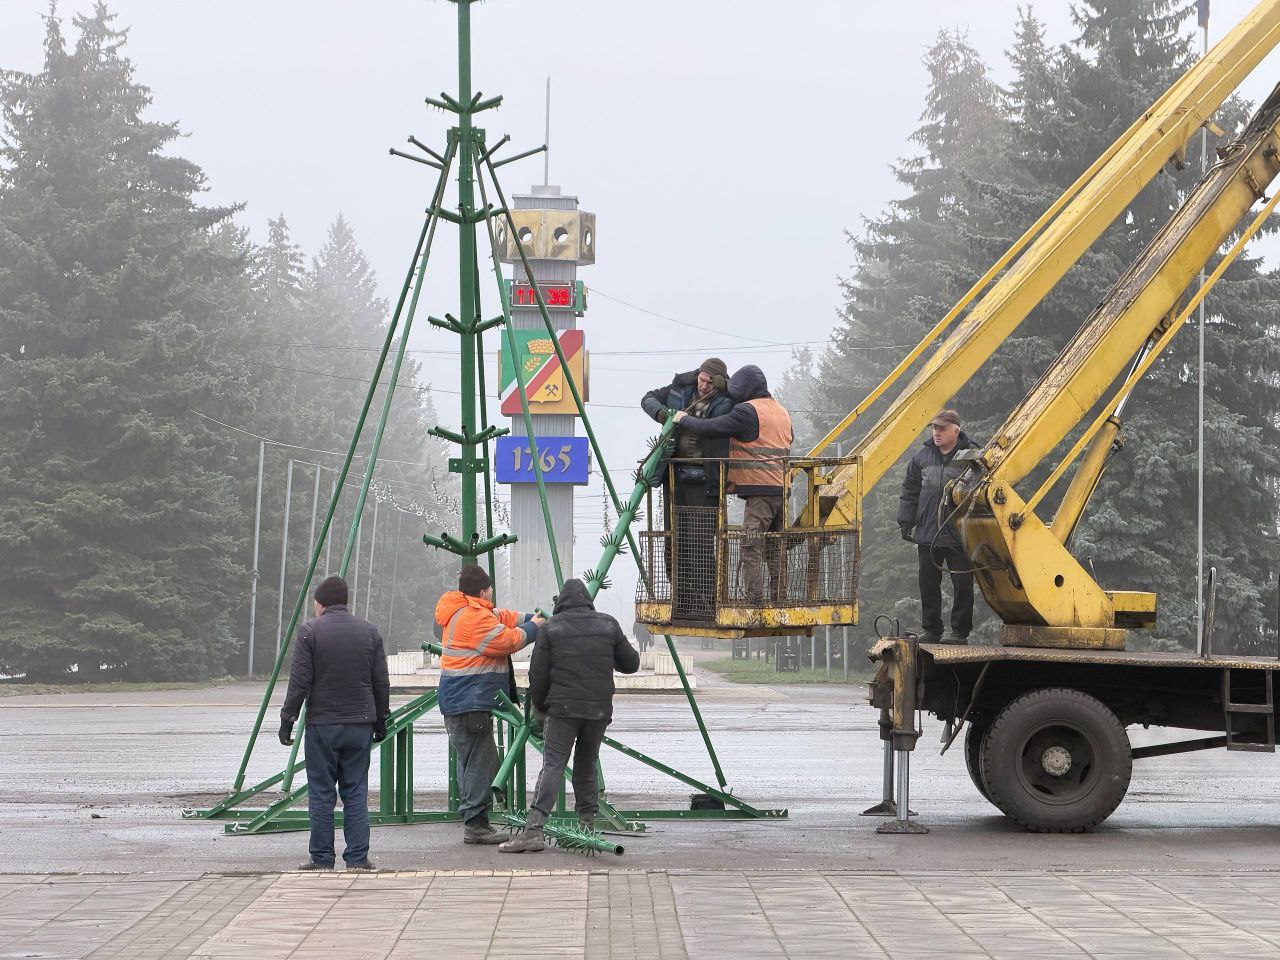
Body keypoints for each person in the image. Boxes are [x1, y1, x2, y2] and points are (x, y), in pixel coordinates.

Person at [500, 578, 641, 853]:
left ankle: (533, 831)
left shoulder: (551, 628)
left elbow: (538, 675)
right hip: (598, 710)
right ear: (587, 600)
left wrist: (541, 706)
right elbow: (631, 663)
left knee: (553, 765)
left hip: (563, 710)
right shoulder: (608, 624)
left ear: (561, 603)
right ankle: (586, 827)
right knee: (587, 765)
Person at [279, 575, 389, 872]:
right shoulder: (369, 632)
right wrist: (381, 718)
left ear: (320, 604)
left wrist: (288, 718)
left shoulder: (310, 632)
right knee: (355, 790)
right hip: (360, 723)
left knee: (321, 791)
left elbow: (300, 681)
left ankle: (321, 858)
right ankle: (357, 858)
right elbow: (381, 681)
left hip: (323, 725)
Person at [435, 564, 544, 844]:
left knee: (471, 761)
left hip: (461, 699)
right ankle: (476, 826)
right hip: (469, 700)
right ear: (483, 591)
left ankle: (473, 819)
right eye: (490, 588)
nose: (492, 592)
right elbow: (507, 640)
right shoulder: (473, 618)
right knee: (481, 764)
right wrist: (535, 627)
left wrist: (532, 617)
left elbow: (503, 617)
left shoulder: (464, 609)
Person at [674, 364, 793, 604]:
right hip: (782, 490)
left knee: (751, 548)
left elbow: (711, 428)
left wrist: (684, 419)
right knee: (775, 549)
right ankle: (780, 599)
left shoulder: (747, 412)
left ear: (746, 389)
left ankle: (755, 603)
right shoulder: (781, 411)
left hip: (760, 493)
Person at [640, 358, 734, 619]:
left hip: (706, 482)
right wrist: (662, 414)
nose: (704, 387)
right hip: (674, 477)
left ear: (719, 383)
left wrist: (682, 419)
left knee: (700, 544)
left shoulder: (725, 403)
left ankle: (705, 605)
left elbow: (714, 427)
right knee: (675, 541)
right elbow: (648, 398)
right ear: (697, 376)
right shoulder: (678, 389)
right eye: (702, 381)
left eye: (710, 384)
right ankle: (680, 600)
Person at [898, 409, 979, 642]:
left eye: (942, 428)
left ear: (956, 430)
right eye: (934, 428)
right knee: (928, 583)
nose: (936, 432)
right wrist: (906, 521)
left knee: (962, 583)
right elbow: (910, 490)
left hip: (958, 533)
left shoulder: (971, 456)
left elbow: (984, 487)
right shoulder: (921, 457)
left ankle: (960, 633)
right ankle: (932, 631)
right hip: (928, 532)